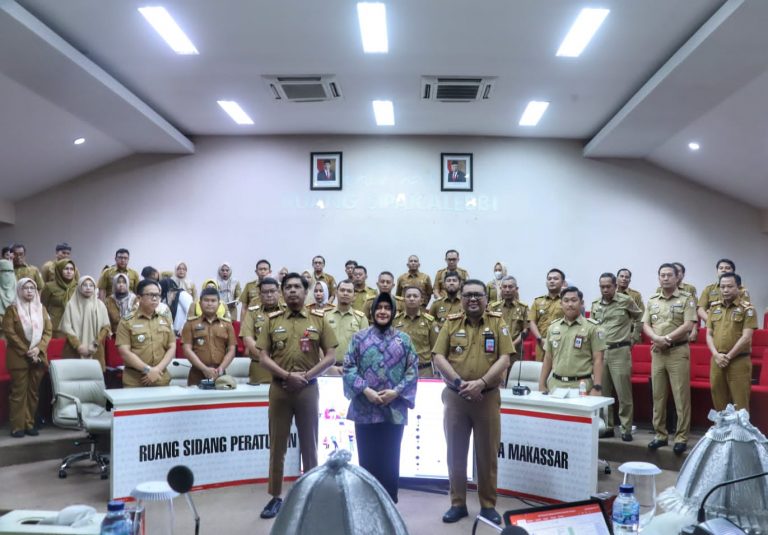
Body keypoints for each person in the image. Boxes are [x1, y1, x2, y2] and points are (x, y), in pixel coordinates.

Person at [255, 273, 338, 519]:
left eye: (297, 287)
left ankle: (311, 494)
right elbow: (263, 357)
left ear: (305, 291)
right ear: (282, 292)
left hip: (308, 389)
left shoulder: (318, 320)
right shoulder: (272, 321)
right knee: (277, 445)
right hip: (280, 389)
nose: (292, 290)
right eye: (288, 287)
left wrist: (306, 377)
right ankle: (275, 497)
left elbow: (331, 356)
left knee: (310, 444)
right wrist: (287, 376)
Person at [432, 279, 513, 525]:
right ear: (462, 299)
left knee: (487, 454)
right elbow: (438, 356)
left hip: (487, 397)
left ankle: (488, 505)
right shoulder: (451, 322)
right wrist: (460, 383)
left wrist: (482, 382)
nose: (473, 299)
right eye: (468, 295)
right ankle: (457, 504)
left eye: (478, 294)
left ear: (486, 299)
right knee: (455, 453)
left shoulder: (497, 322)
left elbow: (505, 358)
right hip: (456, 397)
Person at [343, 292, 418, 503]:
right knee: (367, 459)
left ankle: (389, 504)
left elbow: (412, 370)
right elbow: (348, 367)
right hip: (364, 409)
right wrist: (366, 390)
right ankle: (368, 504)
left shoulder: (404, 340)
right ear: (372, 311)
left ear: (393, 312)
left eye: (387, 308)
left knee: (390, 459)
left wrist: (396, 392)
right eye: (379, 308)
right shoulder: (359, 338)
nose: (383, 311)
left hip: (393, 410)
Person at [643, 263, 696, 455]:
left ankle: (681, 438)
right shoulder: (652, 300)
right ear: (659, 278)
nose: (665, 278)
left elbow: (688, 324)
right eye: (662, 275)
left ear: (676, 278)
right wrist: (656, 339)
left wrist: (666, 339)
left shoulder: (686, 298)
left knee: (681, 397)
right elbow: (645, 324)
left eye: (669, 275)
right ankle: (660, 435)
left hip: (677, 351)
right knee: (658, 396)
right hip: (658, 352)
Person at [590, 274, 641, 441]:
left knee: (623, 393)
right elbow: (591, 327)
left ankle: (626, 428)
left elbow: (640, 317)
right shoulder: (595, 304)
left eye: (608, 286)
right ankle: (608, 427)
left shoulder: (625, 301)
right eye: (602, 287)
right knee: (603, 393)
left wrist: (634, 337)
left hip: (620, 351)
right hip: (601, 352)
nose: (605, 290)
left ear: (615, 286)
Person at [3, 278, 52, 438]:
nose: (29, 291)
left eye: (32, 288)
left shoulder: (41, 309)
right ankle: (17, 426)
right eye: (26, 288)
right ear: (19, 290)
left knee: (33, 393)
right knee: (18, 393)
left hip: (38, 357)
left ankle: (29, 423)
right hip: (19, 357)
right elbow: (9, 333)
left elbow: (48, 332)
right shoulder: (12, 309)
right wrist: (27, 350)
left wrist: (38, 349)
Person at [539, 286, 605, 395]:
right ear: (561, 304)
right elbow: (548, 357)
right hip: (555, 385)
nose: (570, 304)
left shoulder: (593, 328)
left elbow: (598, 359)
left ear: (581, 303)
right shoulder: (553, 327)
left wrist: (597, 387)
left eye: (574, 300)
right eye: (566, 301)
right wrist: (541, 383)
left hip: (581, 386)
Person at [705, 272, 756, 411]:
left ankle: (740, 427)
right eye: (722, 287)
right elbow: (708, 334)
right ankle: (722, 426)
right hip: (717, 360)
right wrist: (716, 355)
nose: (725, 290)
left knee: (740, 403)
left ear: (738, 288)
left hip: (738, 360)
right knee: (718, 400)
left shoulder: (748, 309)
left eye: (730, 286)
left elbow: (746, 337)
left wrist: (728, 357)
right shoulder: (714, 308)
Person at [116, 279, 175, 388]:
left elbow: (172, 346)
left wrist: (157, 370)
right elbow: (124, 352)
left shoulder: (165, 319)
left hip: (160, 377)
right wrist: (148, 370)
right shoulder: (127, 321)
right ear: (139, 298)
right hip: (135, 380)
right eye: (150, 295)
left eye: (157, 295)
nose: (155, 298)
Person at [182, 287, 237, 386]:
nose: (210, 303)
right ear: (200, 303)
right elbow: (187, 349)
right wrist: (204, 369)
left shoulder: (227, 325)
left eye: (213, 301)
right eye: (206, 300)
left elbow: (232, 350)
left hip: (220, 375)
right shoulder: (190, 324)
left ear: (219, 304)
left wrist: (220, 369)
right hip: (197, 374)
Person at [59, 276, 111, 371]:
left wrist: (95, 344)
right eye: (85, 285)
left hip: (95, 350)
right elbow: (67, 327)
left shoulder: (100, 305)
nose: (88, 288)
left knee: (94, 377)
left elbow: (106, 327)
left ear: (94, 288)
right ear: (79, 287)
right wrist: (78, 346)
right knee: (73, 376)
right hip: (74, 350)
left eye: (91, 285)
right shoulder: (71, 304)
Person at [241, 278, 285, 384]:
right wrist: (265, 358)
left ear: (279, 292)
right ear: (260, 295)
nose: (269, 295)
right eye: (265, 292)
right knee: (259, 394)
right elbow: (247, 338)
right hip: (260, 365)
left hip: (284, 364)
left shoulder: (287, 310)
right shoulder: (252, 312)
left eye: (272, 291)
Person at [325, 279, 368, 376]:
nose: (345, 293)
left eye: (349, 291)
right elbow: (318, 344)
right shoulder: (325, 315)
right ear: (336, 293)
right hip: (327, 368)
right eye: (342, 290)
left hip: (352, 369)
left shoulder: (361, 318)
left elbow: (365, 347)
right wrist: (328, 367)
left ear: (354, 296)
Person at [393, 286, 439, 377]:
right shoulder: (395, 321)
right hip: (401, 370)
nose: (411, 298)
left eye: (415, 296)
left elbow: (435, 350)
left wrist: (437, 373)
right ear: (404, 300)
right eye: (408, 296)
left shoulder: (430, 322)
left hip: (424, 370)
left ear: (421, 301)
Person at [487, 276, 529, 362]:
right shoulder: (493, 307)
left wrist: (512, 345)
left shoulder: (523, 308)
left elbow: (525, 330)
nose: (507, 290)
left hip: (516, 350)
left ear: (516, 289)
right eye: (504, 287)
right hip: (496, 349)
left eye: (510, 287)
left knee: (514, 370)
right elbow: (488, 329)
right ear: (500, 288)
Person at [528, 268, 566, 361]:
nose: (552, 281)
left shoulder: (566, 301)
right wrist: (540, 339)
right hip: (541, 343)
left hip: (562, 343)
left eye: (555, 279)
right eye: (549, 279)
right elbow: (531, 322)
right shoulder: (538, 301)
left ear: (563, 283)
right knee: (540, 369)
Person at [40, 259, 78, 337]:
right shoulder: (49, 286)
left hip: (74, 327)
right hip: (55, 328)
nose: (69, 271)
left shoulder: (78, 287)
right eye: (66, 269)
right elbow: (43, 307)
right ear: (59, 270)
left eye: (71, 269)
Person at [616, 268, 644, 345]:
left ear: (630, 280)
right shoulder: (611, 294)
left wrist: (634, 336)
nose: (624, 279)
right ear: (617, 278)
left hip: (630, 334)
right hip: (613, 333)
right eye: (621, 276)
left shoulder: (636, 295)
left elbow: (641, 316)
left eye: (627, 277)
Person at [0, 259, 17, 336]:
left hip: (16, 338)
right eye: (3, 272)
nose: (7, 274)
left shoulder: (21, 295)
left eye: (10, 271)